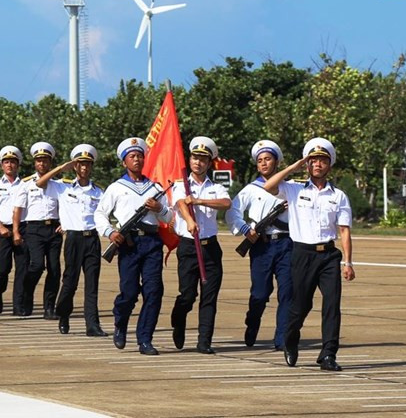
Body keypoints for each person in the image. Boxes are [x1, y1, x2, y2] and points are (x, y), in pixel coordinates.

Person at [263, 137, 355, 371]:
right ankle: (290, 340)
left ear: (329, 165)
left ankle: (328, 355)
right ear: (307, 164)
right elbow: (268, 186)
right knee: (301, 306)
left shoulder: (338, 196)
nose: (318, 164)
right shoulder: (293, 189)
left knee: (332, 304)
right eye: (313, 160)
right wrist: (294, 166)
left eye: (322, 160)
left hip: (328, 256)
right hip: (302, 254)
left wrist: (348, 261)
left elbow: (344, 230)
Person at [94, 137, 174, 355]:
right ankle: (120, 321)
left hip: (151, 242)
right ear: (124, 162)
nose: (137, 160)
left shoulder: (156, 187)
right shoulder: (116, 188)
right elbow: (100, 214)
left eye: (140, 156)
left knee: (154, 291)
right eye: (132, 156)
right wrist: (110, 232)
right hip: (128, 243)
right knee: (129, 292)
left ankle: (145, 339)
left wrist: (159, 208)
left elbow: (170, 215)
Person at [225, 140, 293, 351]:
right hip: (261, 246)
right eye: (260, 160)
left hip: (287, 244)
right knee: (260, 294)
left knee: (287, 292)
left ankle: (282, 338)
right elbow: (232, 212)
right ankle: (252, 321)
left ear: (276, 162)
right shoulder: (250, 189)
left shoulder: (289, 188)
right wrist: (245, 230)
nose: (264, 163)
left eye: (268, 159)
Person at [36, 144, 108, 337]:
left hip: (92, 238)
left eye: (87, 164)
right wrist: (61, 168)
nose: (84, 168)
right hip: (73, 239)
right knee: (70, 282)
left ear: (91, 167)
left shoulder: (99, 192)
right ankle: (63, 314)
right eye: (80, 164)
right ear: (75, 166)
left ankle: (92, 325)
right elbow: (40, 183)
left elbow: (105, 214)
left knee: (92, 284)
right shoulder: (62, 187)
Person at [170, 137, 232, 354]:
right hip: (189, 247)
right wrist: (189, 220)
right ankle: (178, 318)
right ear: (190, 159)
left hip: (210, 248)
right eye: (195, 157)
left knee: (209, 296)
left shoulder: (216, 188)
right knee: (188, 295)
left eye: (203, 159)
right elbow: (180, 204)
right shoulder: (180, 185)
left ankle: (204, 340)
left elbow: (226, 203)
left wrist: (199, 201)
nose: (198, 162)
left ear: (209, 163)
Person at [12, 141, 62, 318]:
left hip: (54, 229)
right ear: (35, 163)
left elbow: (65, 207)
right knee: (37, 265)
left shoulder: (58, 185)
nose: (42, 164)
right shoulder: (26, 184)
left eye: (46, 160)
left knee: (54, 268)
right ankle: (26, 296)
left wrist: (64, 223)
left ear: (50, 163)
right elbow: (18, 209)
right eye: (39, 161)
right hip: (33, 229)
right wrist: (16, 231)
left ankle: (49, 307)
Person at [0, 145, 23, 315]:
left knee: (22, 269)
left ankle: (18, 305)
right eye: (6, 162)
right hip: (1, 230)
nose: (9, 165)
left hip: (21, 229)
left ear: (18, 165)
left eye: (13, 162)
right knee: (1, 269)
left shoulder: (25, 185)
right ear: (2, 165)